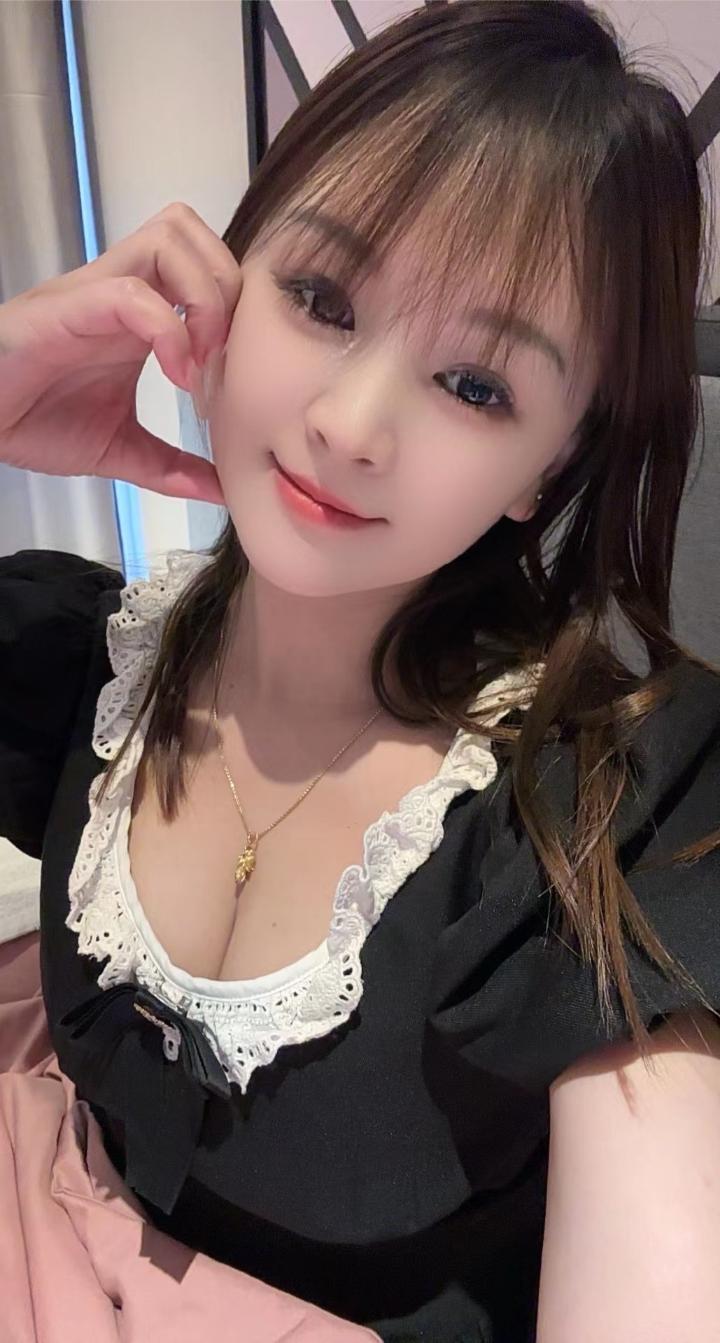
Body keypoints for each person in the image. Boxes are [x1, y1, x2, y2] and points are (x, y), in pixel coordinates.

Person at [1, 1, 720, 1338]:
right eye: (322, 298)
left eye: (477, 386)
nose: (350, 424)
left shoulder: (599, 818)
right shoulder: (85, 663)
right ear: (223, 281)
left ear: (549, 468)